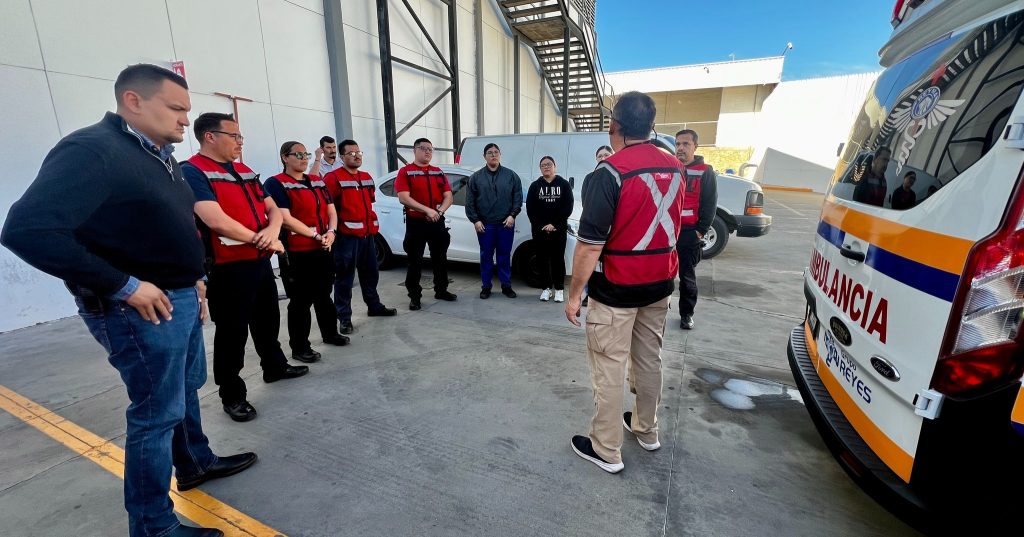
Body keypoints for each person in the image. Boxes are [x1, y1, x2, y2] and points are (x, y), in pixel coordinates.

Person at [1, 64, 255, 537]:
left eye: (187, 110)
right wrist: (125, 285)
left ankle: (195, 461)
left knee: (183, 391)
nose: (185, 120)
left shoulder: (160, 157)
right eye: (176, 108)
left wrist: (195, 278)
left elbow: (169, 224)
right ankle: (153, 526)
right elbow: (27, 231)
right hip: (137, 308)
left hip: (180, 295)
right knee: (156, 415)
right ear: (133, 101)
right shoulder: (93, 150)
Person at [565, 91, 685, 474]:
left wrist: (574, 295)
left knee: (610, 365)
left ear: (614, 126)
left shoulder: (609, 172)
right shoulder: (676, 167)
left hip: (617, 290)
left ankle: (606, 448)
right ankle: (647, 430)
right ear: (652, 126)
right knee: (649, 359)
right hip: (660, 284)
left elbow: (589, 245)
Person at [182, 112, 309, 423]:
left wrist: (271, 232)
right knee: (232, 332)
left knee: (268, 320)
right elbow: (214, 219)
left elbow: (272, 208)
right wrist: (259, 238)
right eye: (234, 136)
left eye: (241, 136)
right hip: (227, 268)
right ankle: (232, 394)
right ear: (210, 136)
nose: (240, 142)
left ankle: (274, 366)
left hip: (259, 261)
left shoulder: (245, 171)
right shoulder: (193, 171)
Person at [262, 142, 350, 364]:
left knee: (324, 294)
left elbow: (331, 211)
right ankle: (300, 347)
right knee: (300, 301)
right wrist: (315, 235)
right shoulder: (275, 183)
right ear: (285, 157)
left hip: (322, 248)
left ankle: (330, 333)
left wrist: (331, 232)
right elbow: (285, 218)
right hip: (297, 252)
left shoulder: (316, 181)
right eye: (298, 154)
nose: (303, 158)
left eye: (306, 154)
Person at [323, 139, 397, 334]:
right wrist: (332, 233)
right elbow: (327, 209)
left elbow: (369, 202)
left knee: (371, 273)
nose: (356, 156)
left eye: (359, 152)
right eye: (351, 153)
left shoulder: (366, 177)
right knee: (345, 278)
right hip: (346, 238)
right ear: (342, 157)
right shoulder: (333, 178)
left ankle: (374, 306)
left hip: (367, 236)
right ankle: (344, 318)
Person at [394, 138, 457, 310]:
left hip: (437, 221)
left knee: (440, 258)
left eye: (430, 149)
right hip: (416, 223)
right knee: (415, 261)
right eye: (423, 148)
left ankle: (441, 290)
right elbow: (403, 198)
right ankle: (415, 296)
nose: (428, 151)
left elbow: (448, 196)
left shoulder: (438, 172)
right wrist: (427, 211)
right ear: (414, 150)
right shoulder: (406, 172)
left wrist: (439, 212)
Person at [674, 129, 718, 330]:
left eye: (685, 144)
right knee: (660, 275)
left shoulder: (705, 171)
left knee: (687, 278)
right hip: (666, 232)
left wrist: (699, 231)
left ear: (695, 147)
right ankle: (658, 309)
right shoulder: (670, 167)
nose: (680, 148)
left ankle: (686, 314)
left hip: (689, 233)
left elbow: (710, 204)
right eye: (677, 144)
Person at [466, 143, 523, 299]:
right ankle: (486, 287)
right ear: (484, 156)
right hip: (485, 225)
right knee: (486, 257)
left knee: (504, 256)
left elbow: (517, 198)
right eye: (490, 152)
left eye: (496, 152)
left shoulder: (511, 176)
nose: (493, 155)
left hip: (506, 224)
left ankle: (506, 286)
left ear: (500, 155)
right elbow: (470, 202)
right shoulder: (476, 178)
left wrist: (512, 215)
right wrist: (475, 220)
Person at [526, 156, 574, 302]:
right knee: (542, 259)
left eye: (549, 164)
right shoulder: (535, 186)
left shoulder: (564, 184)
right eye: (543, 165)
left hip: (558, 230)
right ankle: (546, 288)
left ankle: (559, 289)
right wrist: (542, 225)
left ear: (555, 166)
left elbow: (568, 207)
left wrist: (554, 224)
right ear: (540, 168)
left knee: (558, 259)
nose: (546, 167)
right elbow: (531, 209)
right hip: (540, 231)